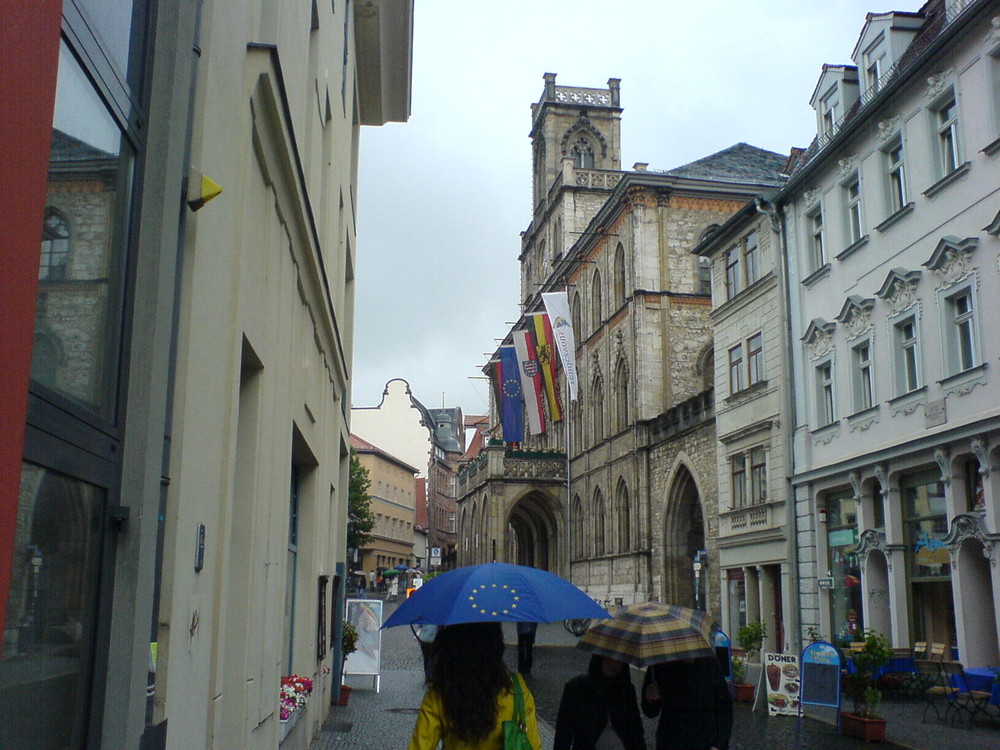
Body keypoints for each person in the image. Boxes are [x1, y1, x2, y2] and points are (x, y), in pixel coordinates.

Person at [409, 622, 542, 750]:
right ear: (496, 645)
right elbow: (533, 745)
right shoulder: (516, 689)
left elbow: (421, 745)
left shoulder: (440, 694)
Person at [554, 654, 646, 750]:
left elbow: (636, 732)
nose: (614, 664)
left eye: (619, 660)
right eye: (609, 659)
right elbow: (563, 733)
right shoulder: (577, 687)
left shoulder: (626, 689)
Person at [640, 656, 732, 750]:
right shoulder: (660, 665)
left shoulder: (709, 662)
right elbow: (650, 712)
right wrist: (651, 699)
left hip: (705, 741)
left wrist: (720, 744)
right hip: (671, 740)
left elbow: (724, 705)